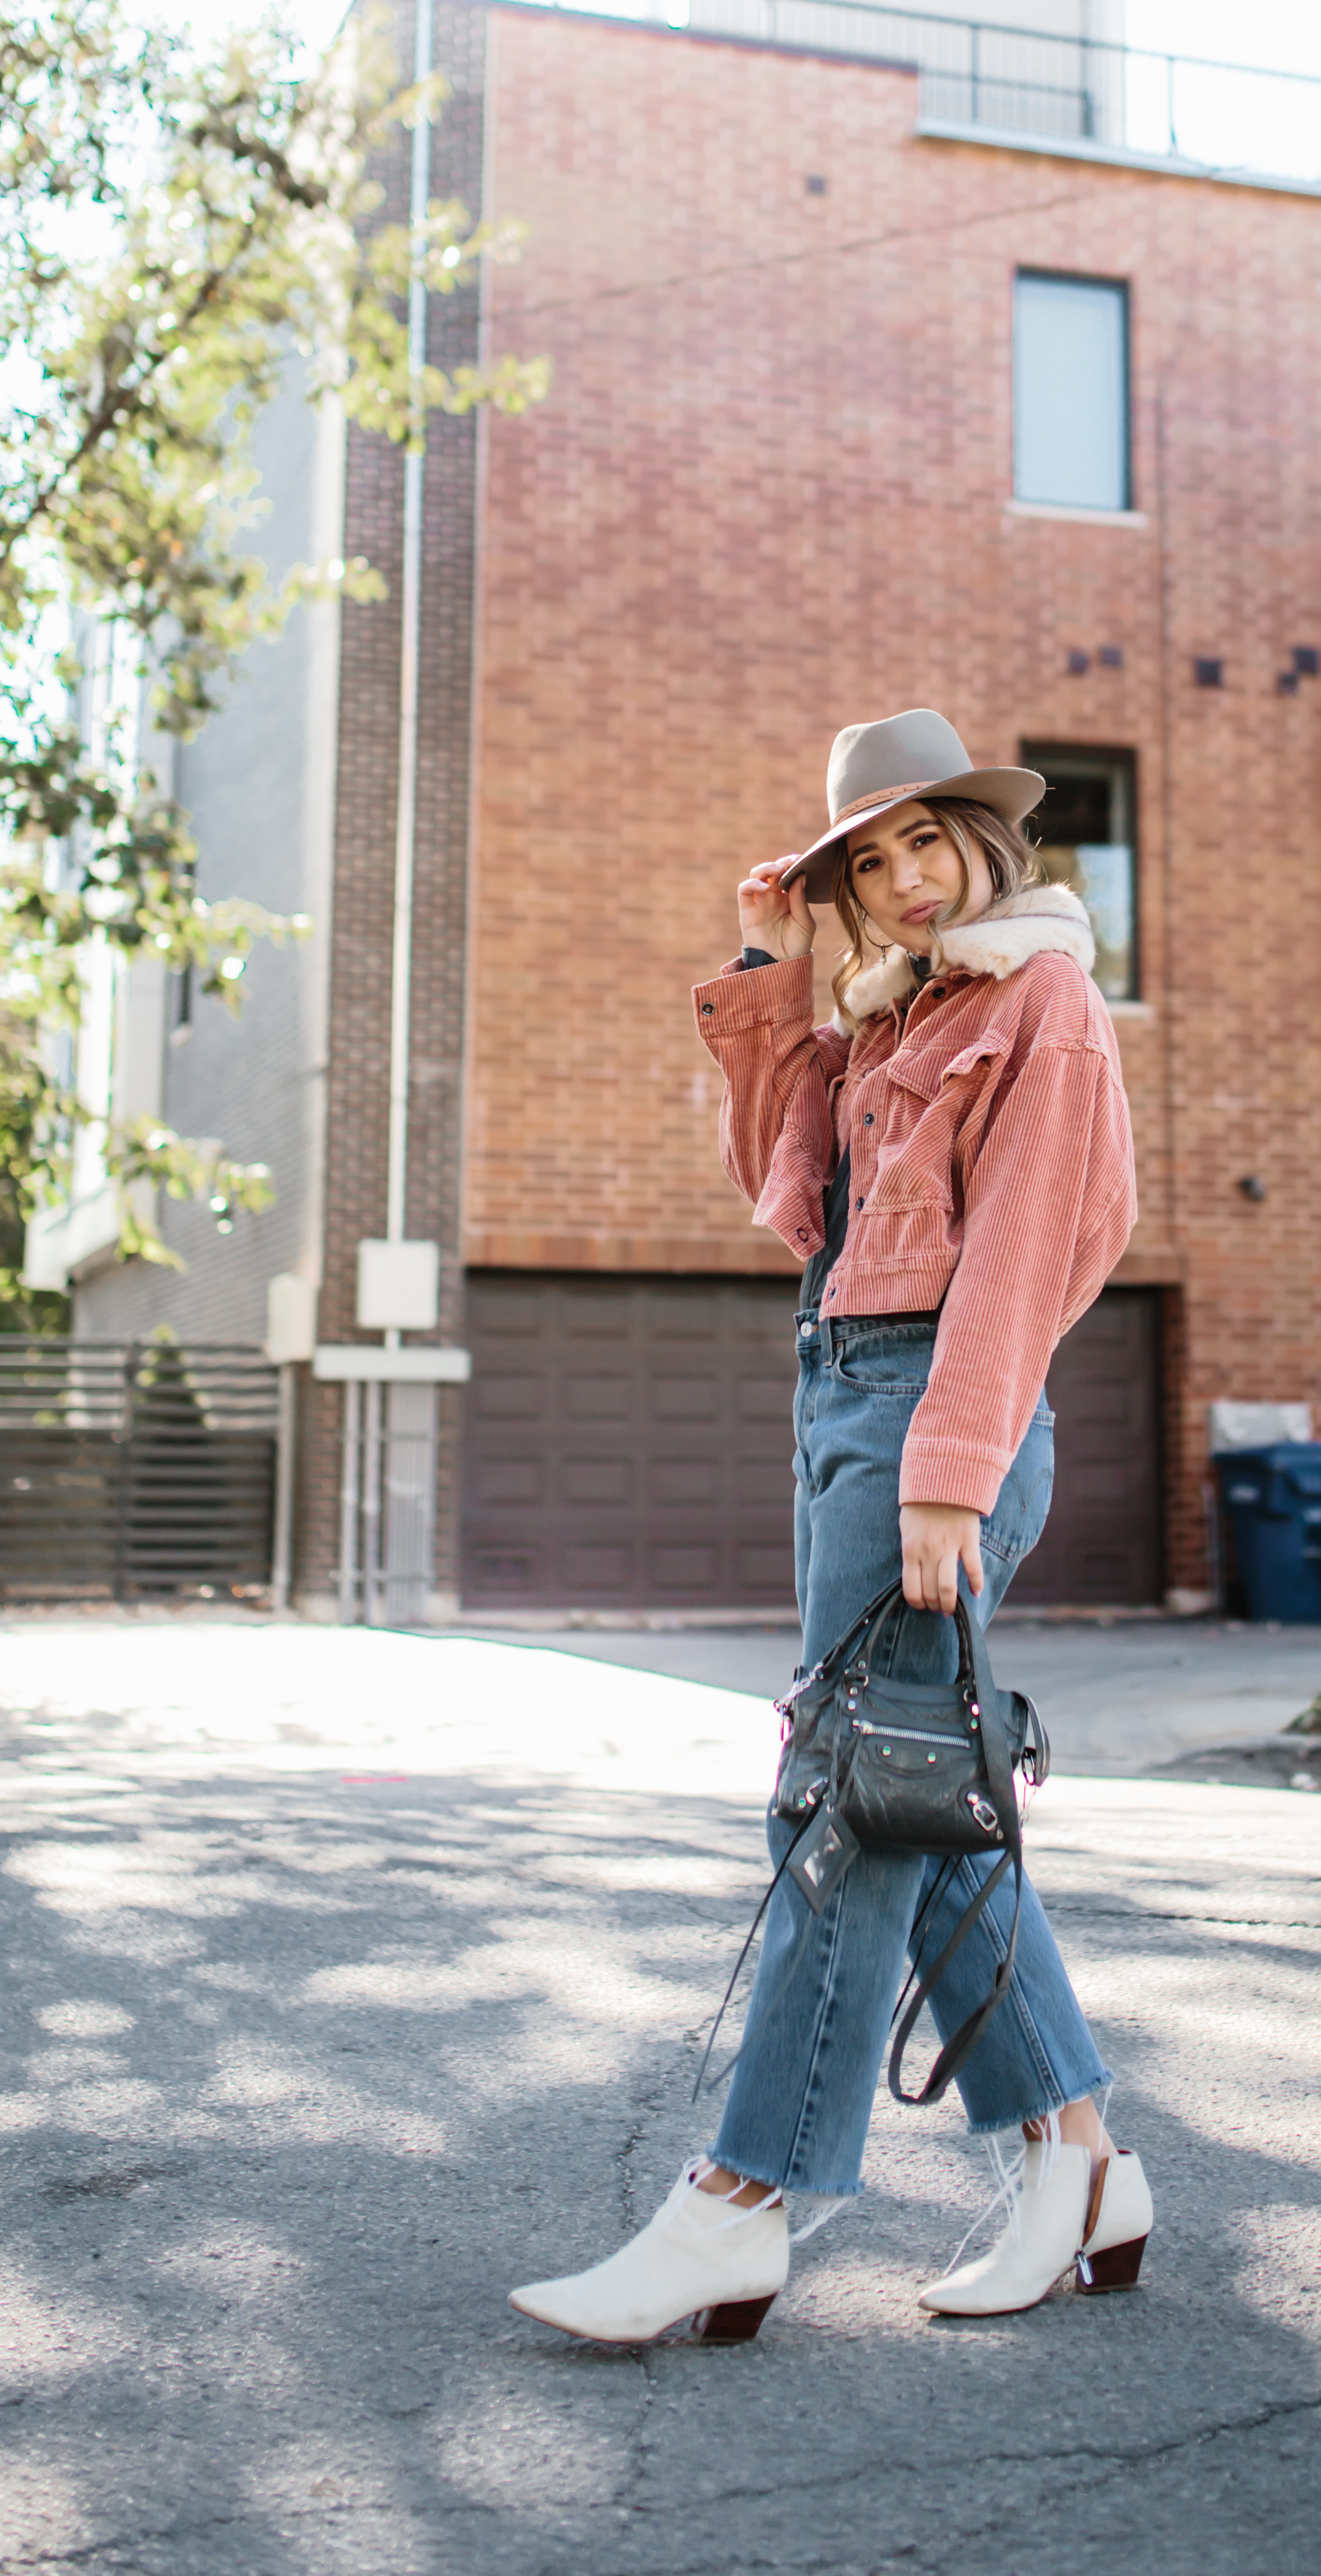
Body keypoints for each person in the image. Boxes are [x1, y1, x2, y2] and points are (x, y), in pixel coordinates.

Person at [511, 710, 1149, 2345]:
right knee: (898, 1791)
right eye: (871, 859)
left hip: (942, 1416)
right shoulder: (889, 1019)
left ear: (986, 842)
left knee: (845, 1812)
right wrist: (773, 975)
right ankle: (1080, 2164)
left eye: (926, 841)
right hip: (847, 1407)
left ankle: (748, 2198)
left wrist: (949, 1468)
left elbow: (1026, 1256)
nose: (905, 878)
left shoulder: (1045, 1002)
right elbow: (784, 1198)